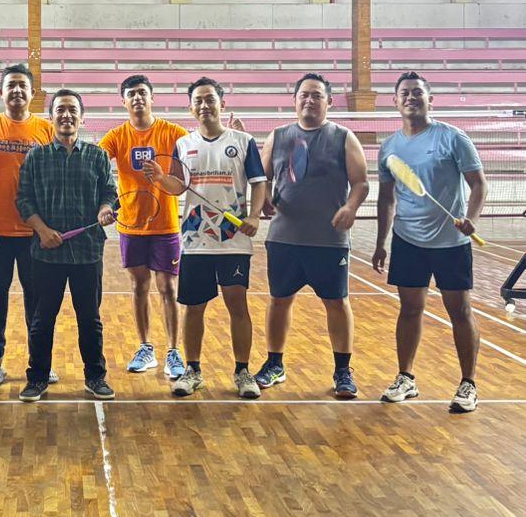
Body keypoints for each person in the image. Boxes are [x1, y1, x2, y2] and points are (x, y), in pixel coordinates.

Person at [374, 70, 487, 414]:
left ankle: (468, 383)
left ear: (430, 100)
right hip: (408, 240)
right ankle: (406, 377)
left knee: (460, 311)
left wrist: (472, 218)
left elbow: (478, 183)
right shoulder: (389, 147)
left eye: (417, 92)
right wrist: (381, 242)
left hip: (451, 242)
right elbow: (386, 199)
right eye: (405, 93)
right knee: (409, 309)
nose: (411, 97)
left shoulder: (452, 137)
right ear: (395, 102)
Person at [148, 77, 266, 398]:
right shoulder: (183, 144)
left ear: (222, 104)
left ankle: (242, 372)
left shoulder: (243, 141)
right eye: (198, 101)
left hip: (233, 239)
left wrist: (254, 216)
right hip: (195, 240)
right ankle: (193, 370)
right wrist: (160, 179)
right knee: (193, 307)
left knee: (237, 305)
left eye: (210, 99)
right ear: (191, 108)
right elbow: (178, 187)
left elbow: (259, 182)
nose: (204, 105)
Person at [257, 73, 370, 399]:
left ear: (329, 102)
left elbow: (361, 182)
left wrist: (351, 207)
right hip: (284, 238)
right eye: (304, 95)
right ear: (294, 101)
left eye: (316, 95)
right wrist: (264, 197)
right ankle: (275, 364)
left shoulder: (343, 137)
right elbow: (261, 178)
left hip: (329, 240)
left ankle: (343, 371)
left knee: (337, 302)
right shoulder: (278, 136)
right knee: (279, 301)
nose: (309, 100)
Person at [16, 89, 118, 402]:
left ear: (82, 117)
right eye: (60, 109)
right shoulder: (36, 157)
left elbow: (110, 193)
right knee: (42, 320)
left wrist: (105, 209)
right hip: (46, 254)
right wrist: (42, 230)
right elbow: (24, 200)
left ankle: (95, 377)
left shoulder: (98, 156)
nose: (66, 115)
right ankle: (37, 378)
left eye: (72, 109)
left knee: (90, 320)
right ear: (51, 118)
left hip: (88, 253)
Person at [99, 75, 187, 379]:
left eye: (142, 93)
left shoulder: (173, 133)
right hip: (131, 226)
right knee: (139, 287)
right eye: (131, 94)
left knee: (168, 289)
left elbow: (185, 178)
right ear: (123, 101)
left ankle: (173, 351)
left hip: (165, 226)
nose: (137, 98)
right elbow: (94, 164)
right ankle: (145, 347)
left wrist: (162, 178)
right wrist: (105, 204)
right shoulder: (116, 136)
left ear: (152, 98)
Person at [0, 63, 56, 385]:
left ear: (33, 93)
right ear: (0, 92)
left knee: (36, 298)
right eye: (11, 85)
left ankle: (40, 362)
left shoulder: (46, 129)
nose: (17, 90)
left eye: (23, 85)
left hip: (35, 232)